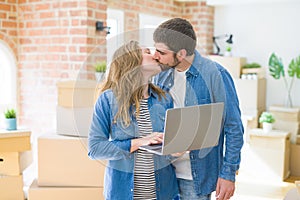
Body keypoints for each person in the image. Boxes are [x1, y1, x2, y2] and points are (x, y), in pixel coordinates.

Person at [152, 18, 244, 200]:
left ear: (181, 54)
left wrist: (228, 174)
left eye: (161, 51)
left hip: (195, 176)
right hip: (164, 172)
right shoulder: (160, 75)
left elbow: (233, 127)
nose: (156, 55)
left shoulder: (216, 75)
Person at [88, 40, 179, 200]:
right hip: (123, 194)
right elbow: (95, 149)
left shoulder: (164, 99)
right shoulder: (109, 100)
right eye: (147, 52)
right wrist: (140, 142)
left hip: (163, 192)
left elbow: (165, 148)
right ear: (132, 61)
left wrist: (176, 150)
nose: (155, 56)